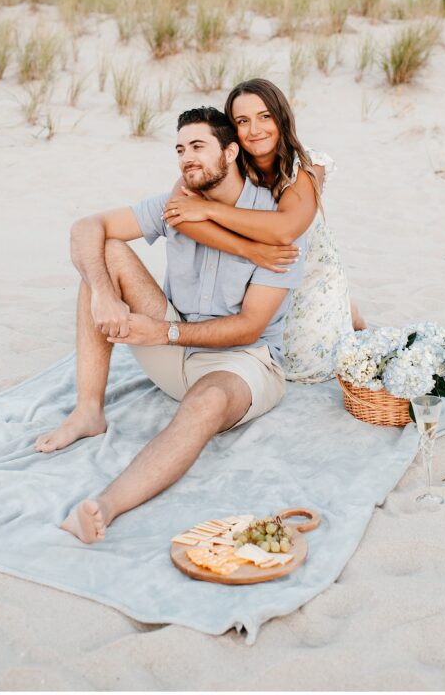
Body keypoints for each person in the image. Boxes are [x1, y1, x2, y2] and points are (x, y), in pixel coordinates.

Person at [35, 106, 306, 544]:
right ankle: (89, 412)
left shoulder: (274, 226)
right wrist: (104, 292)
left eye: (198, 147)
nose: (186, 158)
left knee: (208, 400)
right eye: (180, 149)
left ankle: (105, 505)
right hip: (173, 346)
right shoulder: (174, 205)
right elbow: (86, 226)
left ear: (232, 152)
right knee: (105, 255)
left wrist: (162, 333)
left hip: (243, 365)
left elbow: (249, 328)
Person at [162, 79, 365, 383]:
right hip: (256, 272)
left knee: (308, 365)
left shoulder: (308, 165)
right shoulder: (226, 159)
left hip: (301, 267)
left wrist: (210, 209)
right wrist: (247, 250)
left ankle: (349, 312)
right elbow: (180, 214)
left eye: (264, 116)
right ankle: (347, 311)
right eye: (243, 121)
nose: (255, 130)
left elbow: (285, 230)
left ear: (281, 117)